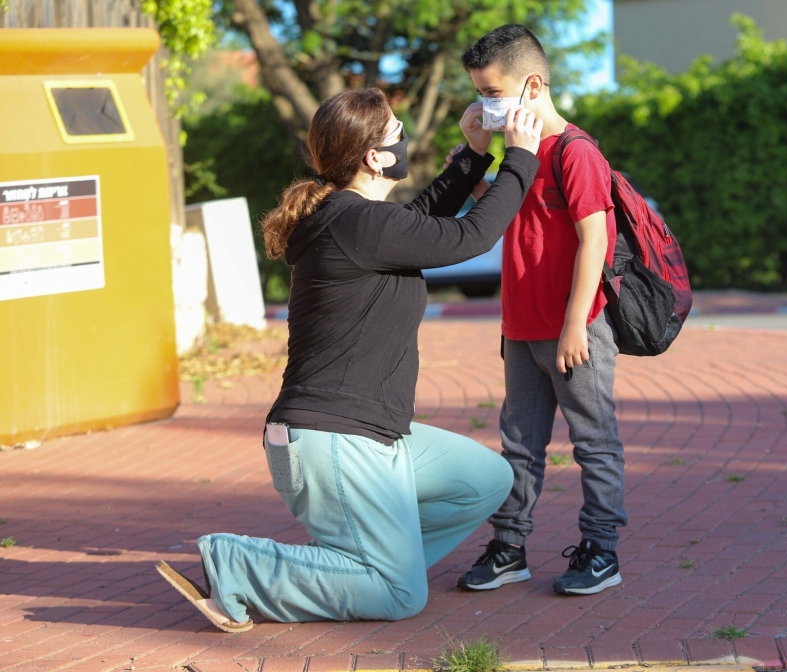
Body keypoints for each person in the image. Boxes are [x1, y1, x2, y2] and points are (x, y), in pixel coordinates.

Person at [155, 87, 542, 631]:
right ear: (374, 158)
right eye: (397, 133)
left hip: (362, 434)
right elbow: (471, 236)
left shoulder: (352, 219)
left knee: (485, 480)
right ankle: (243, 563)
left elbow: (425, 219)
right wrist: (520, 158)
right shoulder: (357, 223)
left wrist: (477, 156)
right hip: (332, 439)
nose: (406, 137)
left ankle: (357, 569)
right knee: (402, 597)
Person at [456, 25, 627, 596]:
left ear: (532, 85)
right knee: (519, 446)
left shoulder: (576, 153)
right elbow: (490, 211)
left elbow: (594, 241)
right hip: (521, 327)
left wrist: (576, 322)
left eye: (492, 92)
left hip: (572, 330)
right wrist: (474, 153)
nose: (487, 104)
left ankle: (601, 550)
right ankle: (509, 548)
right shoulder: (518, 153)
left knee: (593, 441)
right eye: (480, 93)